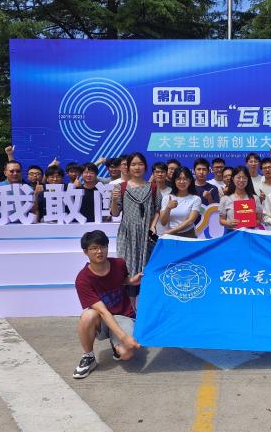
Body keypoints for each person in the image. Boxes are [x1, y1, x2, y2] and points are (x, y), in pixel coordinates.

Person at [73, 230, 142, 379]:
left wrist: (131, 281)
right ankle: (89, 357)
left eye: (103, 247)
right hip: (103, 318)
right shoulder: (83, 279)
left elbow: (121, 279)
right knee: (88, 315)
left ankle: (116, 345)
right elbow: (103, 312)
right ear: (85, 252)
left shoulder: (119, 263)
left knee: (126, 354)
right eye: (94, 248)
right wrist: (123, 337)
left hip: (124, 315)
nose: (99, 251)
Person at [110, 152, 161, 303]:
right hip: (127, 235)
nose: (137, 167)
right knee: (127, 269)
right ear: (127, 167)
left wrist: (153, 226)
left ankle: (145, 307)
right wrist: (114, 200)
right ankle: (129, 308)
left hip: (146, 236)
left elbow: (158, 210)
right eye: (133, 164)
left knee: (147, 269)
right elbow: (115, 213)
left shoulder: (153, 187)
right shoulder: (121, 187)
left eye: (140, 164)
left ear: (145, 167)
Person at [159, 166, 202, 238]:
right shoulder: (167, 198)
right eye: (179, 179)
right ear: (174, 181)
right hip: (170, 236)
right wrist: (168, 208)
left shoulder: (196, 199)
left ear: (190, 180)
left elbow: (190, 221)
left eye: (185, 179)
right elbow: (163, 222)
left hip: (188, 235)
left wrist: (170, 232)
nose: (182, 182)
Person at [218, 166, 263, 233]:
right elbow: (221, 220)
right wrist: (228, 223)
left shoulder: (255, 198)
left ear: (248, 179)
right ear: (233, 179)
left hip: (249, 234)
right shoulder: (225, 199)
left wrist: (250, 223)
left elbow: (259, 220)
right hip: (231, 234)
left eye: (244, 177)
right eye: (238, 177)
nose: (241, 180)